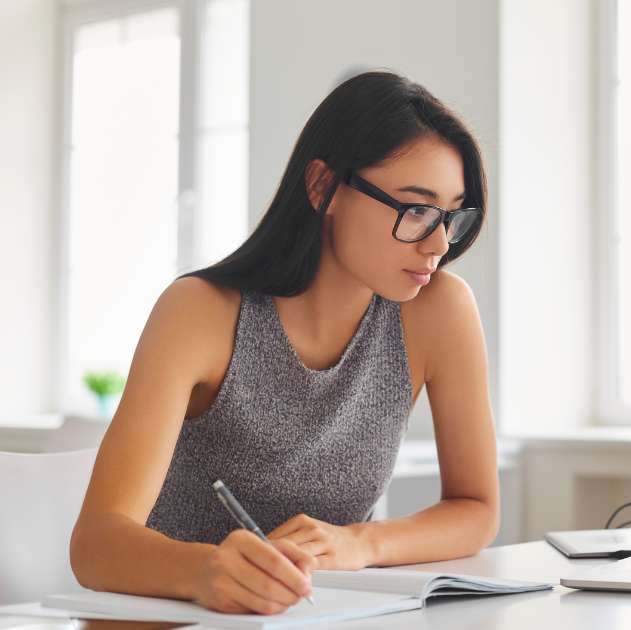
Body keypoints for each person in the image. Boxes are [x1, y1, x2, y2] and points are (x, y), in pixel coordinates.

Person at [69, 70, 499, 615]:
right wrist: (206, 571)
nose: (438, 243)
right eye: (415, 209)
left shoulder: (439, 310)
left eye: (450, 215)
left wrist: (361, 543)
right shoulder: (200, 312)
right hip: (171, 621)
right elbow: (95, 545)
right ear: (323, 187)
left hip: (316, 616)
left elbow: (476, 508)